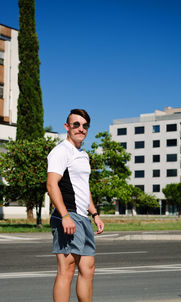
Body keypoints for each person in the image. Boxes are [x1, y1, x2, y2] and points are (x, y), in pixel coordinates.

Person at [47, 109, 104, 302]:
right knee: (67, 270)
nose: (81, 128)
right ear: (67, 127)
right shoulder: (60, 152)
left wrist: (94, 213)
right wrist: (64, 216)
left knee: (88, 268)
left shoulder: (83, 155)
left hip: (83, 217)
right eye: (76, 124)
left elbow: (83, 188)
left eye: (85, 125)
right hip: (67, 215)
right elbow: (51, 184)